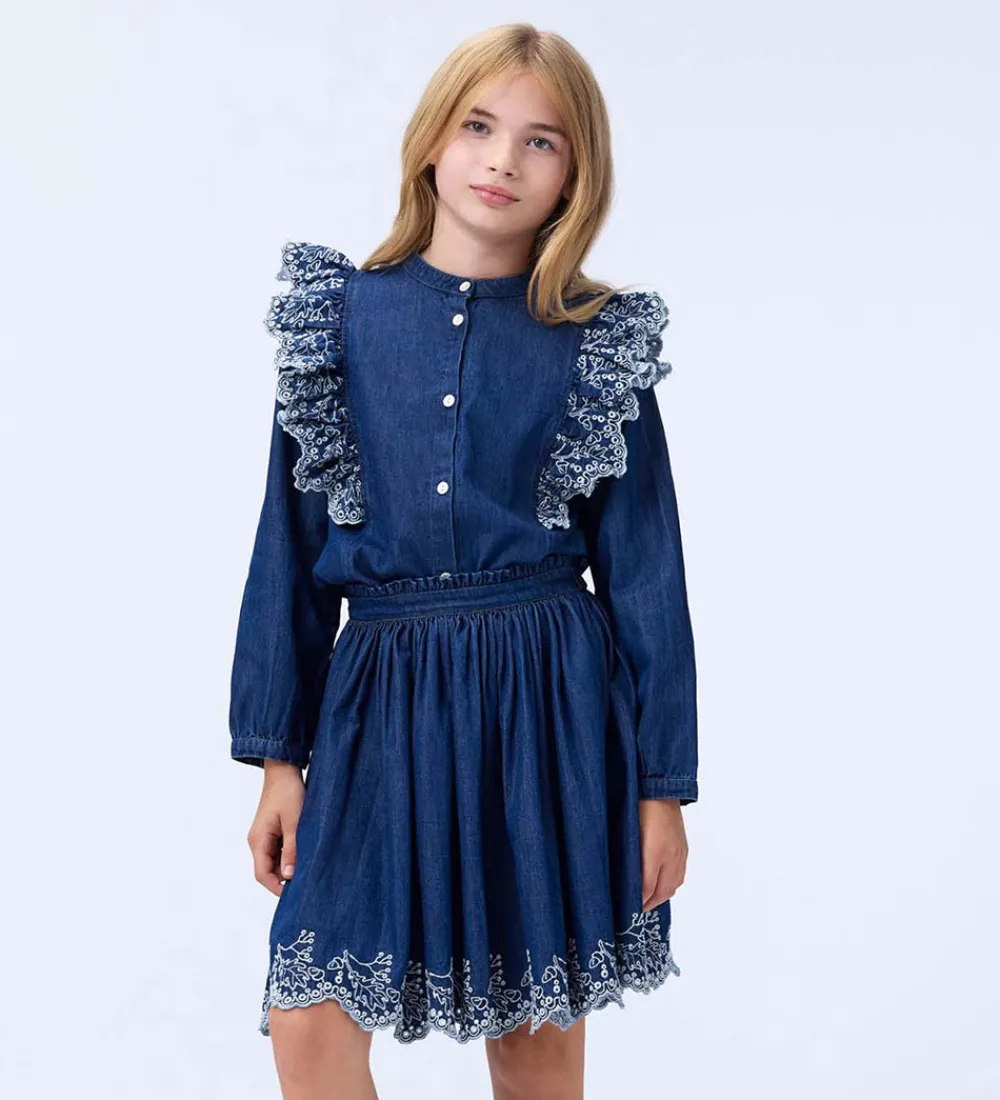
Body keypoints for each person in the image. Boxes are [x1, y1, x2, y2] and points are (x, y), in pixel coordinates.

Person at [228, 21, 698, 1099]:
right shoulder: (338, 321)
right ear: (433, 138)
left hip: (546, 705)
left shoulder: (595, 341)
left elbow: (648, 576)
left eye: (541, 141)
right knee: (308, 1016)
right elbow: (286, 549)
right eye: (479, 126)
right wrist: (278, 758)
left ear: (576, 174)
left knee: (532, 1040)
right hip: (377, 698)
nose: (502, 160)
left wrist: (660, 788)